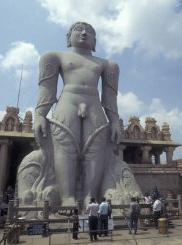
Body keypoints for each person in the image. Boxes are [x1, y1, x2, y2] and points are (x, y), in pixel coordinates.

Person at [34, 22, 121, 206]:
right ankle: (68, 197)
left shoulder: (107, 64)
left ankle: (91, 195)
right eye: (78, 30)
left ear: (95, 41)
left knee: (95, 148)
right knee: (64, 146)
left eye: (89, 31)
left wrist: (114, 121)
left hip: (93, 102)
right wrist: (40, 114)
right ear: (68, 37)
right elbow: (47, 87)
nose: (84, 33)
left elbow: (110, 96)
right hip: (68, 100)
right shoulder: (54, 56)